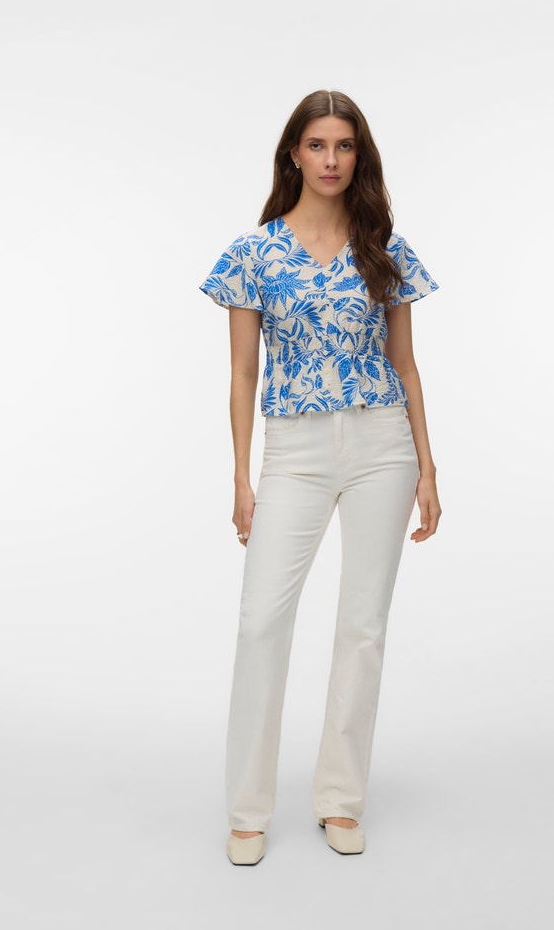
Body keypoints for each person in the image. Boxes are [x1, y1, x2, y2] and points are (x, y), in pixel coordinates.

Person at [199, 89, 442, 865]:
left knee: (362, 626)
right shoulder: (254, 253)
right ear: (293, 154)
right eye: (317, 145)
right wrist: (241, 477)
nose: (331, 160)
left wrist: (428, 468)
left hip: (382, 443)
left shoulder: (384, 249)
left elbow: (406, 365)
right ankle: (247, 810)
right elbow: (243, 373)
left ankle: (340, 798)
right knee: (260, 623)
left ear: (358, 155)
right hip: (295, 451)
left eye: (344, 146)